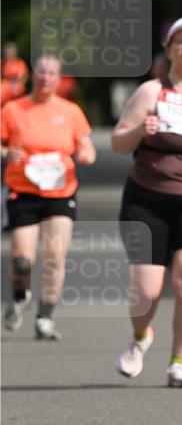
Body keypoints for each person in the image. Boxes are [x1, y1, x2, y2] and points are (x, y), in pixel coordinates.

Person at [111, 17, 182, 387]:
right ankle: (141, 337)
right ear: (169, 49)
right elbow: (118, 142)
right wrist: (142, 129)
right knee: (147, 291)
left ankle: (179, 362)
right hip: (147, 200)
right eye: (180, 42)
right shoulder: (151, 91)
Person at [1, 54, 96, 339]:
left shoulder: (70, 111)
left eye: (51, 73)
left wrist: (86, 154)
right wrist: (7, 153)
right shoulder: (13, 109)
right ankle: (20, 295)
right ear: (34, 75)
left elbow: (85, 145)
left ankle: (45, 317)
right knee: (22, 260)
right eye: (41, 72)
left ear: (58, 79)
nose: (45, 78)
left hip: (60, 192)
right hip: (23, 191)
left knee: (55, 256)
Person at [1, 42, 29, 107]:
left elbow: (23, 78)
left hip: (16, 84)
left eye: (10, 53)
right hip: (5, 84)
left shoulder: (20, 63)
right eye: (7, 53)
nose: (8, 55)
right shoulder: (3, 63)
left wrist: (15, 82)